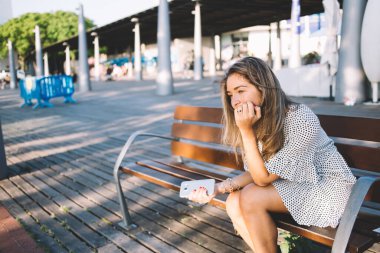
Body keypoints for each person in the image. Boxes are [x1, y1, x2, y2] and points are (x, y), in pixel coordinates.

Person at [187, 57, 357, 253]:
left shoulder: (301, 118)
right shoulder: (258, 120)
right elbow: (257, 171)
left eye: (241, 91)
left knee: (250, 196)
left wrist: (246, 132)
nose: (235, 101)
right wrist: (219, 188)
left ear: (264, 88)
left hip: (326, 188)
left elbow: (262, 178)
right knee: (233, 201)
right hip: (295, 183)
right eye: (230, 94)